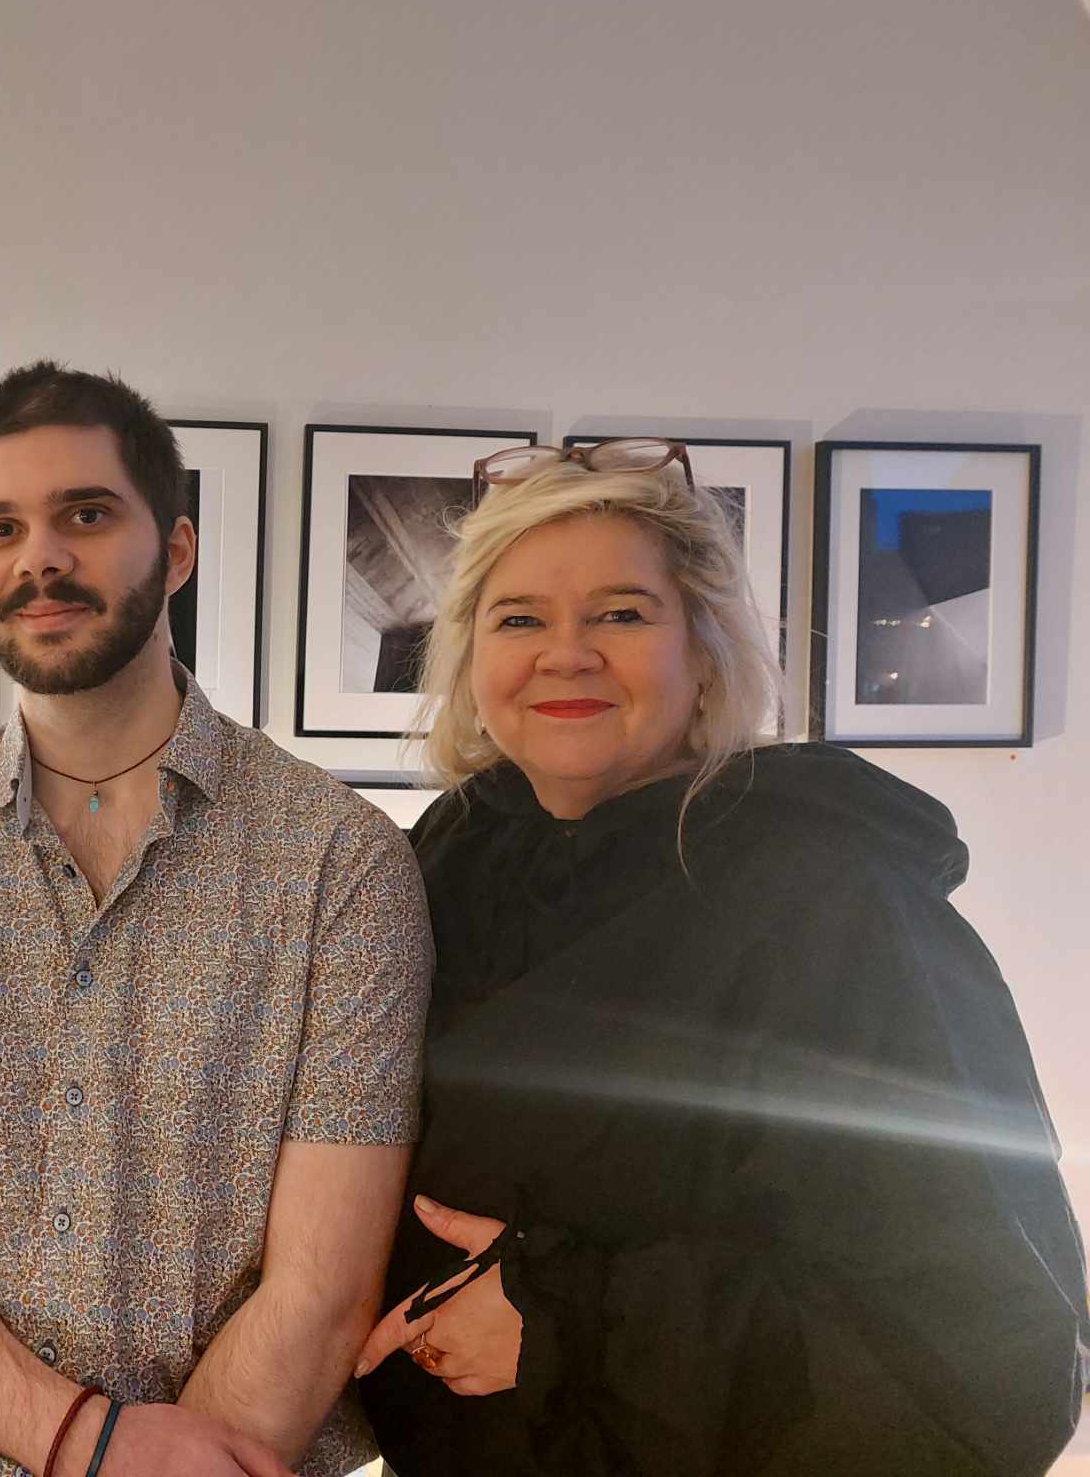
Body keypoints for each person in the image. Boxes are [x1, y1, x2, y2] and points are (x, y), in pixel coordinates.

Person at [352, 440, 1088, 1474]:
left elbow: (994, 1363)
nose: (565, 654)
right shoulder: (437, 870)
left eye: (621, 614)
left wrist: (572, 1324)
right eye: (518, 619)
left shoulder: (837, 903)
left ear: (702, 650)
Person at [0, 361, 433, 1477]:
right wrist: (79, 1442)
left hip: (242, 1454)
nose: (38, 557)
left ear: (174, 551)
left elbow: (323, 1285)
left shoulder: (341, 860)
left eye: (85, 515)